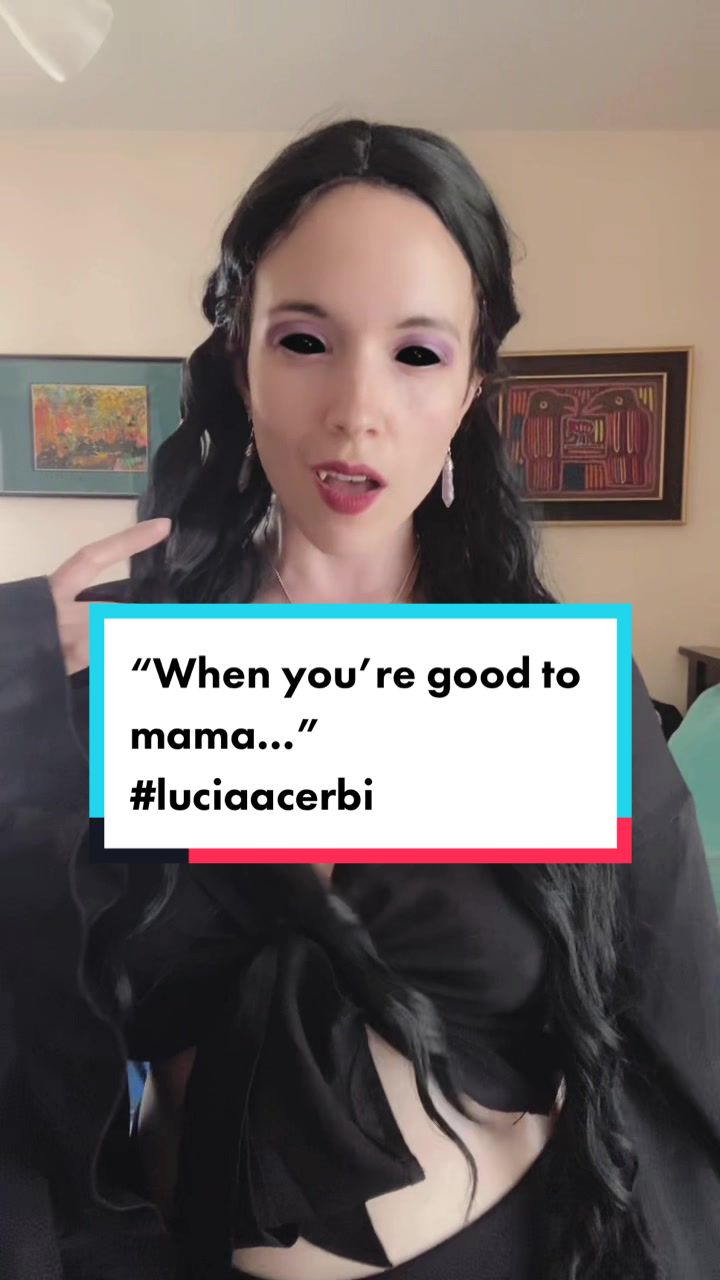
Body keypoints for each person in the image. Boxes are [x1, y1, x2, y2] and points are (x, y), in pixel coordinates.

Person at [0, 118, 718, 1280]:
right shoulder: (108, 673)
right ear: (239, 354)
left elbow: (685, 1029)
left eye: (417, 353)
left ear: (473, 386)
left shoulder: (554, 694)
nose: (355, 407)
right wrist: (13, 668)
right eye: (305, 340)